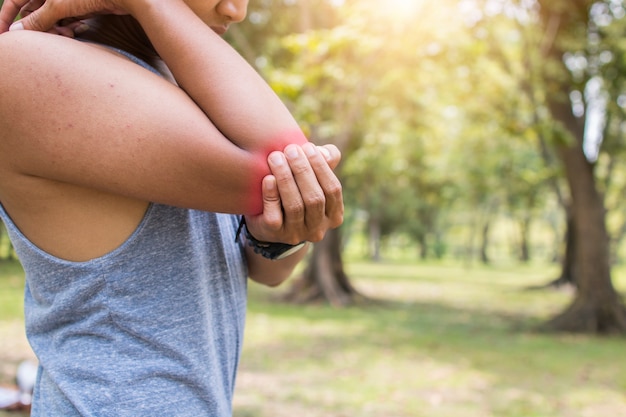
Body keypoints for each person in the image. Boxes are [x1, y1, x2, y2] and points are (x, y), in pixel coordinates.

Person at [0, 0, 344, 415]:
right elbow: (275, 163)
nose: (236, 10)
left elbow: (268, 269)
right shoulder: (23, 64)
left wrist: (276, 236)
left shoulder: (183, 87)